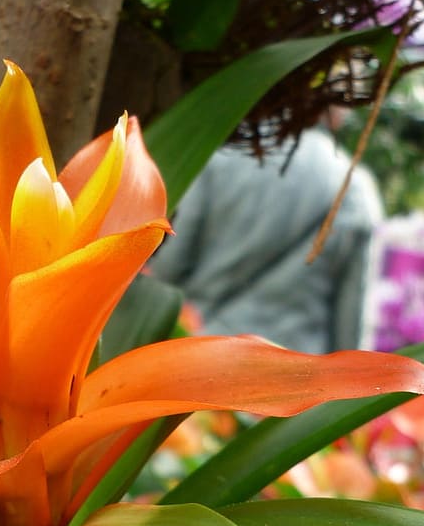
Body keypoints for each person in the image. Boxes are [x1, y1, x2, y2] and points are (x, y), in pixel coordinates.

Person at [152, 122, 384, 354]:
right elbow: (351, 326)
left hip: (198, 357)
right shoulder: (355, 188)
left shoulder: (220, 154)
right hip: (295, 373)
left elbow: (168, 269)